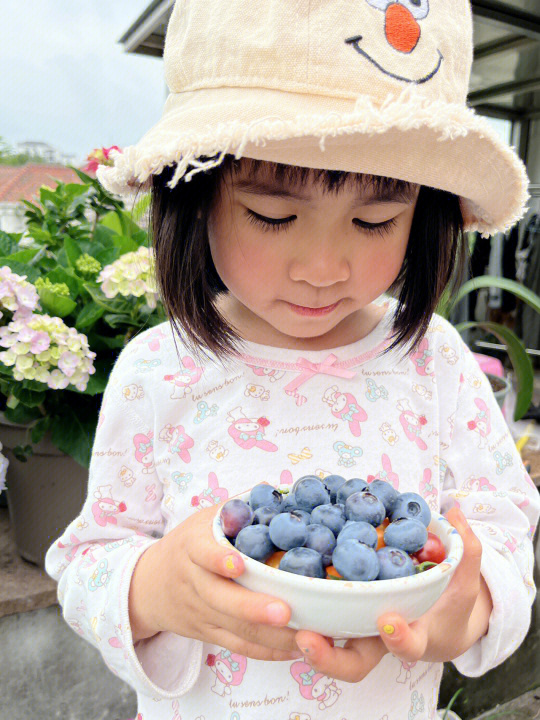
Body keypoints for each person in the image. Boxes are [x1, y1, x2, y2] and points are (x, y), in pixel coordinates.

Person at [45, 1, 540, 719]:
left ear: (424, 213)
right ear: (196, 197)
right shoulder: (160, 372)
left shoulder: (437, 364)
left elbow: (503, 533)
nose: (322, 267)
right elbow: (87, 560)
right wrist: (152, 588)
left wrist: (467, 605)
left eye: (375, 220)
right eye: (273, 215)